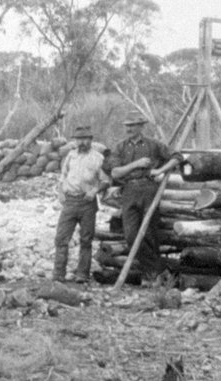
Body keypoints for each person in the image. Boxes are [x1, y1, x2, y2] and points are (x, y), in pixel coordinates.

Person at [103, 114, 182, 285]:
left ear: (141, 127)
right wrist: (135, 164)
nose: (129, 129)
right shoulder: (121, 147)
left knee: (150, 233)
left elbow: (177, 156)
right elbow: (115, 172)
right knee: (131, 235)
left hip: (149, 188)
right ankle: (157, 270)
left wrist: (160, 171)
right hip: (129, 190)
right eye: (127, 126)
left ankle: (151, 276)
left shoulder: (153, 145)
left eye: (133, 125)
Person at [53, 125, 110, 284]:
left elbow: (106, 181)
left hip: (87, 203)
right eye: (79, 139)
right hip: (70, 202)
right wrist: (60, 192)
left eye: (85, 139)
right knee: (61, 239)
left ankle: (82, 275)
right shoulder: (70, 156)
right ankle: (58, 274)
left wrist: (95, 191)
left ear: (91, 140)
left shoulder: (98, 158)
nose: (82, 142)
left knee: (86, 240)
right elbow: (62, 176)